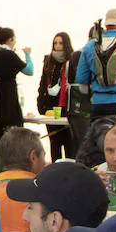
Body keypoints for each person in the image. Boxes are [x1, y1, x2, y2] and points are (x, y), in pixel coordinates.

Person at [0, 27, 33, 175]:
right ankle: (12, 175)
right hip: (7, 104)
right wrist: (28, 54)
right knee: (13, 143)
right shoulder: (8, 55)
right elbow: (29, 70)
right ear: (10, 40)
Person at [36, 32, 81, 160]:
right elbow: (43, 84)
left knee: (69, 143)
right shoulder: (49, 61)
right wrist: (40, 103)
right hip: (50, 107)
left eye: (60, 43)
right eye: (55, 43)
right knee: (54, 143)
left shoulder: (71, 60)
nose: (57, 46)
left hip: (65, 107)